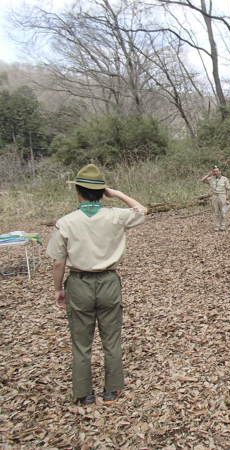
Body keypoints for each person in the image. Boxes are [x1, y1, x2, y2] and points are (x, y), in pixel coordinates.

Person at [46, 164, 147, 405]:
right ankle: (112, 390)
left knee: (81, 342)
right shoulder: (115, 215)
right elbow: (141, 210)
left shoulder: (66, 222)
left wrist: (59, 289)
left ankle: (83, 394)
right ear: (102, 193)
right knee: (111, 338)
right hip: (109, 281)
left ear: (78, 191)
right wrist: (117, 193)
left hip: (79, 282)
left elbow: (58, 262)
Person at [201, 166, 230, 232]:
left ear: (220, 171)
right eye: (214, 171)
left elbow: (227, 189)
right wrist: (208, 175)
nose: (215, 173)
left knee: (223, 212)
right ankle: (217, 226)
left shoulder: (224, 179)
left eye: (217, 171)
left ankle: (223, 226)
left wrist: (227, 199)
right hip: (214, 196)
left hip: (222, 196)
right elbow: (202, 180)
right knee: (216, 212)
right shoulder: (211, 179)